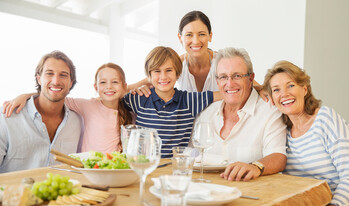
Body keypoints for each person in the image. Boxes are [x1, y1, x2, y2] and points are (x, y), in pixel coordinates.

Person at [263, 60, 349, 206]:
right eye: (276, 90)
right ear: (272, 99)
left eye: (290, 86)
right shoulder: (283, 133)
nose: (284, 94)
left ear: (304, 89)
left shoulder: (326, 119)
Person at [194, 47, 287, 181]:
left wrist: (256, 166)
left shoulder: (269, 111)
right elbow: (192, 155)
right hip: (209, 194)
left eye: (237, 76)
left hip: (253, 195)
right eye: (223, 77)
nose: (230, 84)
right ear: (217, 81)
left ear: (251, 79)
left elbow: (278, 157)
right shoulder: (206, 114)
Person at [130, 11, 268, 100]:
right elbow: (149, 80)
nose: (195, 41)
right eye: (189, 35)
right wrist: (138, 89)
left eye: (202, 34)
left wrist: (262, 91)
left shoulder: (223, 62)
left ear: (210, 36)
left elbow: (249, 83)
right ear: (180, 38)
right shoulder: (175, 64)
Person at [2, 63, 133, 153]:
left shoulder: (130, 114)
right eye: (103, 82)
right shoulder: (88, 106)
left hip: (113, 170)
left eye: (114, 82)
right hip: (87, 169)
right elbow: (53, 96)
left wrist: (145, 82)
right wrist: (24, 96)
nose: (109, 87)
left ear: (124, 86)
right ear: (96, 87)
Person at [123, 46, 222, 158]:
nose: (163, 77)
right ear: (149, 75)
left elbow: (225, 93)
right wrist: (134, 88)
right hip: (144, 166)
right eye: (157, 71)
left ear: (178, 73)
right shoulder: (139, 98)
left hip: (174, 169)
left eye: (169, 70)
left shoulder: (189, 101)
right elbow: (111, 100)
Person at [0, 51, 82, 173]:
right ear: (39, 79)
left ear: (71, 82)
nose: (56, 81)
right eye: (49, 73)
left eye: (63, 75)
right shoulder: (7, 116)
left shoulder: (77, 122)